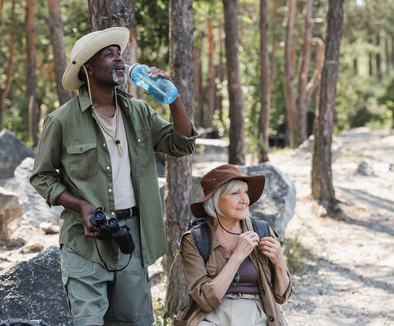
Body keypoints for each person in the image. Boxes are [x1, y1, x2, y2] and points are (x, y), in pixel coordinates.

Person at [30, 27, 197, 326]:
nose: (119, 59)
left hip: (130, 238)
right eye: (108, 55)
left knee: (135, 321)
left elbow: (181, 144)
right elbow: (42, 177)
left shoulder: (138, 112)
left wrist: (174, 99)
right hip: (84, 241)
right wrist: (81, 207)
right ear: (88, 68)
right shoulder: (61, 120)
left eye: (119, 54)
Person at [175, 164, 291, 326]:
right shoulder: (195, 239)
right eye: (235, 193)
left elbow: (281, 297)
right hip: (211, 315)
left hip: (257, 312)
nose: (245, 200)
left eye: (245, 192)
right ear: (215, 200)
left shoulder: (262, 229)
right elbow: (205, 300)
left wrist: (279, 263)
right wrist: (237, 256)